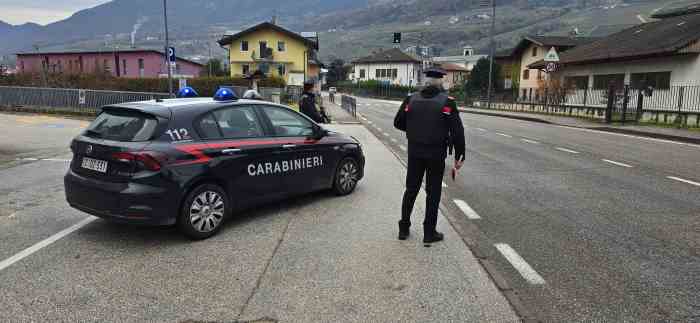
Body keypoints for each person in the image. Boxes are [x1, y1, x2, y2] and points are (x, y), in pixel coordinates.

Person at [394, 67, 466, 244]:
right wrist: (459, 155)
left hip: (415, 151)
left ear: (425, 81)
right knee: (433, 193)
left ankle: (403, 228)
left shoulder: (411, 98)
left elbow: (398, 122)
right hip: (436, 153)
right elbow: (457, 132)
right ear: (441, 81)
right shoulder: (447, 102)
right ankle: (429, 232)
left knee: (411, 189)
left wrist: (414, 130)